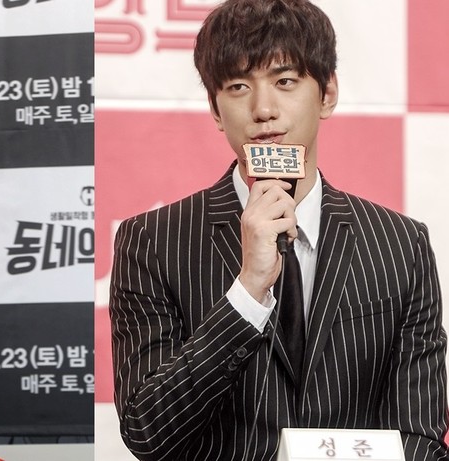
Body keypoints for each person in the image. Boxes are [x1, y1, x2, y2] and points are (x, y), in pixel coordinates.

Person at [109, 0, 448, 460]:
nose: (263, 109)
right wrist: (248, 292)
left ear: (327, 94)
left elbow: (420, 434)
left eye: (285, 81)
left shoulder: (400, 244)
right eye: (238, 86)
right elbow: (146, 430)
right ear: (215, 109)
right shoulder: (152, 242)